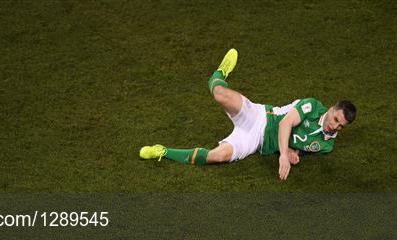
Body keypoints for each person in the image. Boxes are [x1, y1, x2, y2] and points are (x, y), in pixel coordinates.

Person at [139, 49, 357, 180]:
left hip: (255, 142)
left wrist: (294, 154)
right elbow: (285, 125)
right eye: (336, 119)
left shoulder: (327, 146)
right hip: (261, 117)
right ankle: (220, 73)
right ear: (331, 109)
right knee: (220, 95)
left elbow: (302, 147)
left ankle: (163, 151)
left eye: (340, 127)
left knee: (219, 156)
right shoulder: (312, 106)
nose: (334, 127)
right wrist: (283, 155)